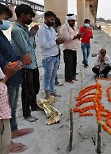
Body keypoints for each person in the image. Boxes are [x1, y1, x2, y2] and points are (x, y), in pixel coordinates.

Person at [0, 4, 32, 153]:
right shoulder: (16, 31)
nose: (3, 23)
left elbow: (8, 54)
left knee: (10, 108)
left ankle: (13, 130)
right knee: (4, 112)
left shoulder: (1, 33)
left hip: (12, 75)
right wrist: (7, 70)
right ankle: (7, 141)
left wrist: (16, 60)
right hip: (6, 78)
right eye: (4, 19)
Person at [11, 4, 40, 122]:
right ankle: (26, 113)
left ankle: (33, 105)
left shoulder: (25, 29)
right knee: (27, 90)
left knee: (35, 86)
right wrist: (31, 35)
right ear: (22, 15)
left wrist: (31, 35)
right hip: (25, 65)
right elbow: (26, 49)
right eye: (29, 17)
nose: (31, 19)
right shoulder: (17, 30)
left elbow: (33, 46)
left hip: (33, 63)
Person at [37, 11, 62, 98]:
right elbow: (43, 45)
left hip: (55, 56)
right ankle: (47, 93)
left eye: (54, 20)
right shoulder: (42, 30)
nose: (53, 22)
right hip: (48, 57)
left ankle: (52, 91)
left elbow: (55, 41)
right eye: (51, 20)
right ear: (45, 18)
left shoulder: (52, 29)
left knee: (53, 76)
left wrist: (58, 42)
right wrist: (55, 42)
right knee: (48, 76)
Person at [60, 14, 82, 83]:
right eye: (72, 21)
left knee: (73, 64)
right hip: (68, 49)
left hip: (74, 49)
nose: (73, 22)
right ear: (68, 20)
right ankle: (68, 79)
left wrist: (79, 36)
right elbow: (68, 38)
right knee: (68, 64)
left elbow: (75, 36)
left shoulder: (73, 27)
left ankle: (73, 76)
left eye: (74, 21)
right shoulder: (65, 27)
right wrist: (76, 36)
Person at [52, 17, 64, 86]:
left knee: (56, 67)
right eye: (55, 26)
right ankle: (54, 81)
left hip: (57, 50)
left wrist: (59, 41)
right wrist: (57, 42)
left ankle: (55, 80)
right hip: (52, 53)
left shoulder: (55, 31)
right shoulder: (49, 31)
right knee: (52, 68)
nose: (56, 28)